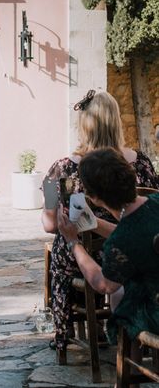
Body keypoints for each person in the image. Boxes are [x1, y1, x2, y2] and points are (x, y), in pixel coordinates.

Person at [42, 89, 159, 355]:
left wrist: (71, 232)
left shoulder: (58, 169)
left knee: (57, 257)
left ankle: (66, 332)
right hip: (140, 252)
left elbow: (49, 225)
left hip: (93, 255)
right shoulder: (142, 162)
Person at [58, 148, 159, 346]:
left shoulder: (119, 241)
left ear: (94, 197)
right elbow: (134, 235)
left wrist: (73, 242)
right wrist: (93, 222)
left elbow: (104, 284)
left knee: (120, 296)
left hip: (155, 310)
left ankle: (134, 368)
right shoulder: (155, 202)